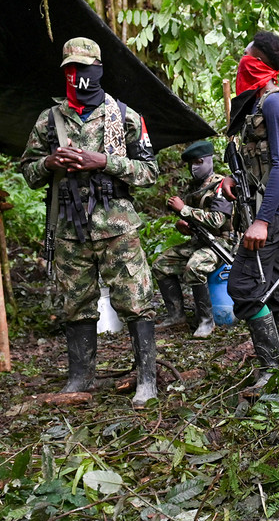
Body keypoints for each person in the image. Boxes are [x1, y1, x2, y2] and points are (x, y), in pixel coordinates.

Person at [20, 37, 161, 408]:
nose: (77, 77)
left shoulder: (125, 115)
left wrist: (105, 162)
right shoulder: (49, 120)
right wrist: (49, 163)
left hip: (117, 227)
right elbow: (28, 171)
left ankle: (147, 378)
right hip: (69, 227)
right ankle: (81, 377)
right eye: (70, 70)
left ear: (98, 69)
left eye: (83, 69)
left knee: (136, 301)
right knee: (75, 304)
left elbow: (149, 172)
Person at [221, 31, 279, 391]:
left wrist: (262, 221)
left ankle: (271, 371)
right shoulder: (257, 103)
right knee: (272, 286)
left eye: (247, 55)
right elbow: (263, 163)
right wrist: (234, 179)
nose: (241, 60)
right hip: (268, 211)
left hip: (277, 215)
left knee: (243, 287)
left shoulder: (274, 104)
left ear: (258, 63)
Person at [151, 140, 233, 338]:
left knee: (195, 266)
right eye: (190, 164)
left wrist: (184, 210)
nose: (193, 168)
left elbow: (217, 220)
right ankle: (176, 315)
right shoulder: (194, 187)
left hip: (221, 244)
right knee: (161, 264)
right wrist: (183, 226)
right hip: (200, 242)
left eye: (197, 162)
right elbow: (193, 221)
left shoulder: (220, 186)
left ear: (208, 161)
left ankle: (206, 320)